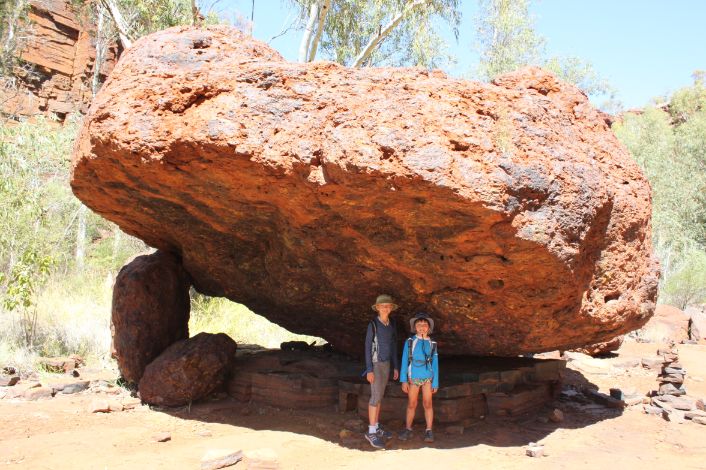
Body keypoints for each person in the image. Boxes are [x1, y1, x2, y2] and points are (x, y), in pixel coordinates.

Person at [363, 294, 400, 449]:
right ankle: (371, 432)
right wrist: (369, 370)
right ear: (377, 308)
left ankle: (376, 427)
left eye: (388, 305)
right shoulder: (373, 325)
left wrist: (396, 366)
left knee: (379, 396)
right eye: (382, 305)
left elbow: (393, 347)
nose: (385, 308)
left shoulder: (390, 325)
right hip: (376, 364)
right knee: (375, 397)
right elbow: (367, 347)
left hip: (386, 364)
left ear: (391, 308)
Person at [398, 312, 438, 443]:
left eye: (425, 324)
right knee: (412, 404)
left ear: (428, 328)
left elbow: (435, 364)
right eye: (419, 324)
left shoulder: (432, 343)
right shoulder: (410, 342)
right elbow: (405, 361)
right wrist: (403, 380)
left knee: (428, 404)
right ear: (415, 327)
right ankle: (408, 429)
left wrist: (435, 382)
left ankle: (429, 430)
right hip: (413, 376)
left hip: (427, 378)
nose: (422, 327)